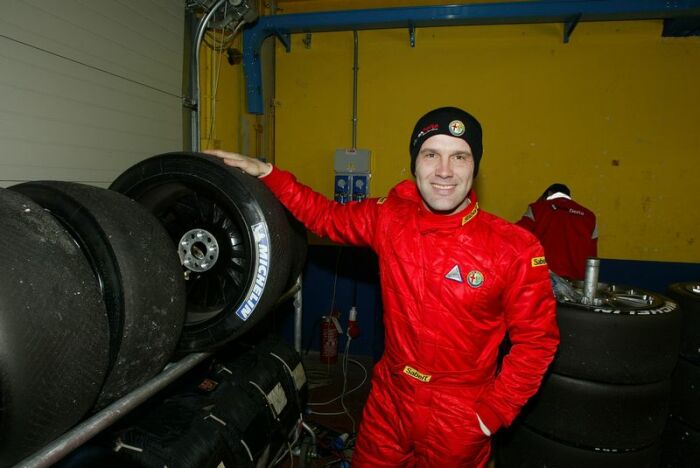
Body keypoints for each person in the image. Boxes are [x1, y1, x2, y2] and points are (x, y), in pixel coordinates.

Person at [206, 106, 559, 467]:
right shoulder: (390, 217)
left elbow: (538, 341)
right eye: (431, 154)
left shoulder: (513, 247)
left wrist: (492, 413)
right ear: (415, 163)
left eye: (460, 157)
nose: (444, 171)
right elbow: (325, 217)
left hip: (460, 415)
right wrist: (269, 173)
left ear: (475, 166)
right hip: (390, 400)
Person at [516, 183, 598, 281]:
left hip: (543, 274)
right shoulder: (590, 217)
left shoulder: (537, 209)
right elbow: (592, 255)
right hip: (577, 279)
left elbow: (518, 235)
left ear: (549, 194)